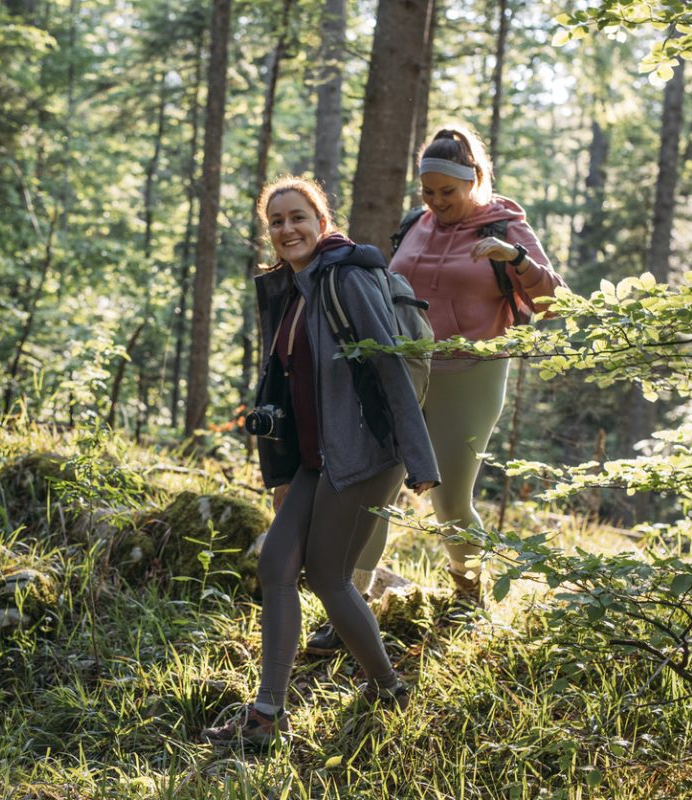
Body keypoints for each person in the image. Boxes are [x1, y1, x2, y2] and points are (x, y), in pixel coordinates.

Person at [305, 124, 566, 654]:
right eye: (428, 192)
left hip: (471, 373)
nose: (437, 202)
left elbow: (557, 301)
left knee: (448, 498)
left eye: (448, 192)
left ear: (475, 181)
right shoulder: (414, 225)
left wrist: (514, 261)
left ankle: (469, 596)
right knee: (373, 491)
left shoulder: (505, 226)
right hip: (403, 373)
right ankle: (349, 606)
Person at [199, 176, 440, 750]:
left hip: (364, 453)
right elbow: (283, 388)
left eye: (298, 217)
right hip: (318, 456)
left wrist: (418, 457)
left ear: (322, 219)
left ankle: (389, 690)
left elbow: (385, 367)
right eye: (276, 221)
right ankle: (267, 715)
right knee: (277, 566)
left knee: (329, 577)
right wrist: (281, 473)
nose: (287, 230)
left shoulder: (347, 277)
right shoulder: (291, 288)